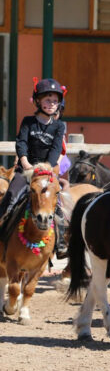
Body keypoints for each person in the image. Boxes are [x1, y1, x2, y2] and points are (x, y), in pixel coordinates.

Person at [0, 78, 69, 257]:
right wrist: (24, 162)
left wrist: (46, 168)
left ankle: (60, 243)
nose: (51, 104)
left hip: (46, 172)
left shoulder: (59, 126)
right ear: (38, 100)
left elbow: (55, 150)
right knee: (10, 199)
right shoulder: (28, 121)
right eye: (47, 100)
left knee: (59, 209)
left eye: (55, 101)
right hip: (26, 170)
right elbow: (21, 143)